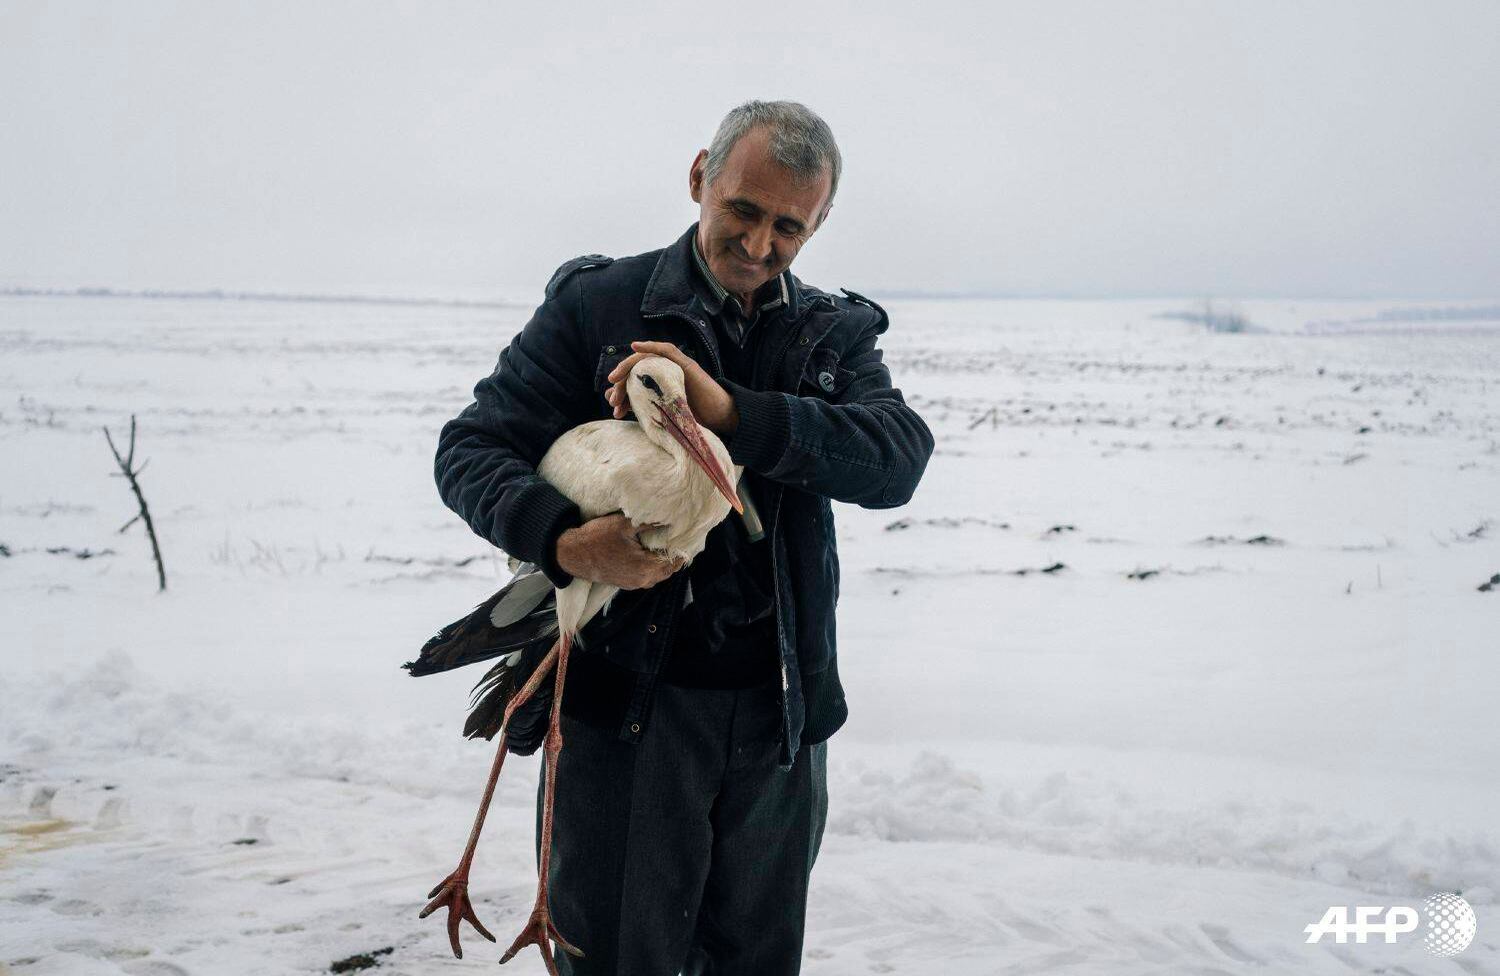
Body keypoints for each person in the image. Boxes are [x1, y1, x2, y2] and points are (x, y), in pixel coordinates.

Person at [434, 99, 934, 976]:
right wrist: (564, 542)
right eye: (743, 210)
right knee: (619, 957)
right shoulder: (598, 305)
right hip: (628, 711)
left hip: (780, 716)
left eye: (789, 226)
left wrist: (735, 414)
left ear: (819, 224)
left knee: (755, 961)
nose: (759, 243)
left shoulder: (830, 333)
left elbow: (895, 462)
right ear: (700, 176)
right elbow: (471, 449)